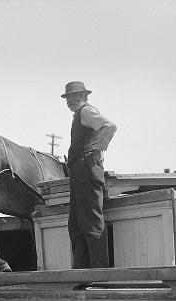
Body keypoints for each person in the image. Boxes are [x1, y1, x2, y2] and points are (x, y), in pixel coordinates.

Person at [62, 81, 117, 269]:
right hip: (79, 172)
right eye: (69, 97)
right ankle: (83, 275)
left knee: (91, 224)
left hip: (86, 169)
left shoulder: (86, 111)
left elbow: (110, 126)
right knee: (77, 226)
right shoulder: (78, 115)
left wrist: (96, 150)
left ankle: (99, 275)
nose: (72, 100)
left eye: (76, 96)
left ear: (85, 97)